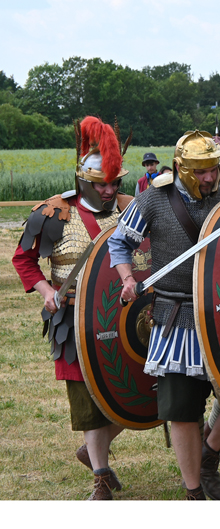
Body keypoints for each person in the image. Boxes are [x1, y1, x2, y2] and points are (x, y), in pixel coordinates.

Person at [108, 130, 220, 500]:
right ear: (181, 167)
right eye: (200, 171)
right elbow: (119, 242)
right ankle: (194, 491)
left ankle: (210, 452)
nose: (209, 178)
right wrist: (126, 278)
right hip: (176, 317)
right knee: (183, 409)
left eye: (213, 170)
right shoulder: (153, 199)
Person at [12, 116, 132, 500]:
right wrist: (45, 288)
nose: (110, 189)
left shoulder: (132, 209)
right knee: (85, 398)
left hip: (124, 315)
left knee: (138, 390)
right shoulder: (53, 212)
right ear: (84, 179)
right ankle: (100, 475)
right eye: (102, 183)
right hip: (73, 316)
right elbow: (23, 259)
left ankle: (93, 449)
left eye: (115, 182)